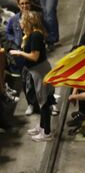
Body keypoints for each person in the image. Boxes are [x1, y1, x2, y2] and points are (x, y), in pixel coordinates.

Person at [10, 11, 54, 142]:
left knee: (44, 101)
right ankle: (42, 127)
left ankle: (47, 133)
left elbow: (34, 57)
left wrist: (19, 53)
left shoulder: (35, 35)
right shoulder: (32, 34)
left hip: (40, 71)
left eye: (22, 22)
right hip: (36, 71)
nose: (20, 24)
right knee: (41, 100)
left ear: (29, 22)